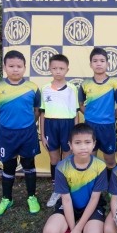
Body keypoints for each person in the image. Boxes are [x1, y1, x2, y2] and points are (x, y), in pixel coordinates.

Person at [0, 50, 41, 217]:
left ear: (25, 68)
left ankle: (32, 197)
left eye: (19, 66)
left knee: (29, 166)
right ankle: (6, 199)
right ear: (5, 67)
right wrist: (6, 125)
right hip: (7, 135)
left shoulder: (32, 87)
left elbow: (36, 110)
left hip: (28, 134)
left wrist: (26, 125)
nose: (15, 69)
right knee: (9, 167)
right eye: (11, 66)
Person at [42, 123, 107, 233]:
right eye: (78, 143)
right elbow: (66, 200)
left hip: (91, 207)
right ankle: (69, 229)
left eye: (87, 142)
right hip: (69, 206)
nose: (83, 147)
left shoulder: (100, 166)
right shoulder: (62, 167)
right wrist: (74, 231)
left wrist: (78, 229)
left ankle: (80, 227)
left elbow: (94, 199)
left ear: (94, 144)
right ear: (70, 145)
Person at [78, 47, 117, 180]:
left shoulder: (114, 84)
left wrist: (111, 115)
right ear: (90, 64)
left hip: (107, 127)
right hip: (90, 127)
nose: (98, 63)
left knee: (110, 160)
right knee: (90, 158)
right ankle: (92, 187)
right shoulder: (85, 84)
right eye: (95, 61)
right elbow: (80, 105)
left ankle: (112, 189)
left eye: (102, 61)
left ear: (107, 64)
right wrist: (89, 115)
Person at [39, 54, 79, 208]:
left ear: (67, 70)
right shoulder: (44, 89)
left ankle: (67, 191)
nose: (58, 71)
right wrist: (42, 134)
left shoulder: (72, 89)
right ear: (50, 69)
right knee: (54, 160)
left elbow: (75, 112)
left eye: (61, 68)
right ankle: (56, 190)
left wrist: (75, 134)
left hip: (67, 125)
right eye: (54, 68)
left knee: (67, 159)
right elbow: (42, 113)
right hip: (50, 125)